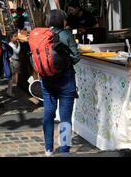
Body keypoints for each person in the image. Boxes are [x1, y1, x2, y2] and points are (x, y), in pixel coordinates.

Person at [41, 10, 81, 156]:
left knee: (48, 112)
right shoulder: (66, 35)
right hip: (66, 80)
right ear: (61, 21)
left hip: (46, 80)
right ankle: (64, 149)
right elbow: (76, 57)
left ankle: (48, 148)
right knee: (65, 116)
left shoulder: (42, 34)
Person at [7, 31, 21, 97]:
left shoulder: (11, 44)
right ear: (11, 38)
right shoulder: (11, 45)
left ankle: (9, 90)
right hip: (14, 61)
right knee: (12, 76)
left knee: (12, 76)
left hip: (14, 60)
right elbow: (17, 51)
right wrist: (19, 44)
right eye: (15, 36)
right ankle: (9, 91)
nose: (16, 37)